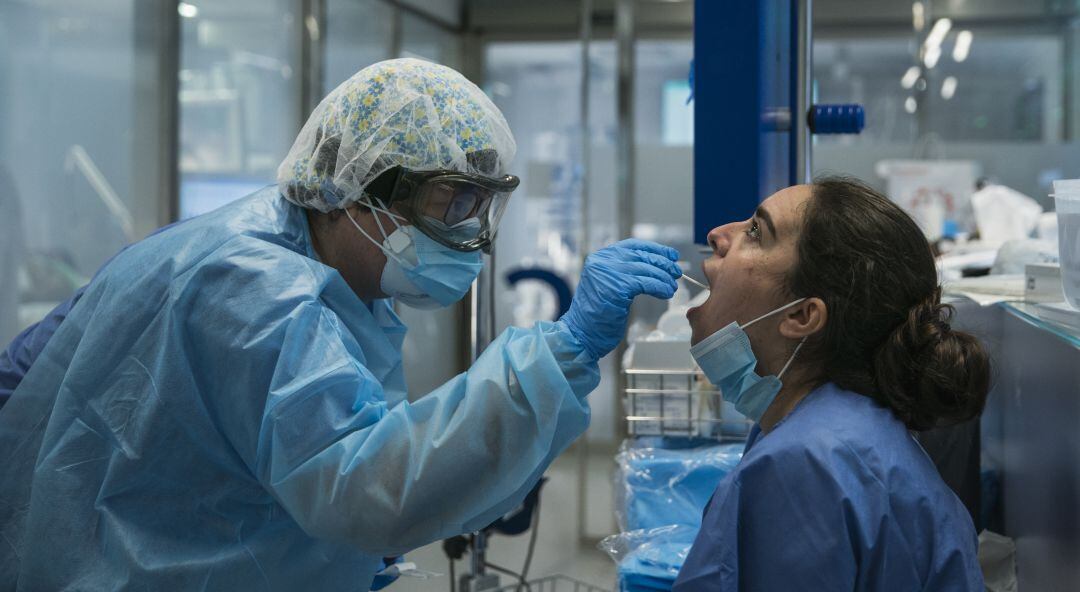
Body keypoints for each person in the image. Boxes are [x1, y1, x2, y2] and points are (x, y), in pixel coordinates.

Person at [0, 58, 683, 590]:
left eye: (483, 206)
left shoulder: (336, 278)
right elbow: (365, 489)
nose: (471, 233)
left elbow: (320, 454)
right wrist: (566, 348)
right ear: (355, 188)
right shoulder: (254, 288)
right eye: (453, 202)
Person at [674, 177, 990, 591]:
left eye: (756, 232)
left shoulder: (805, 465)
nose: (718, 235)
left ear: (803, 316)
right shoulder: (833, 433)